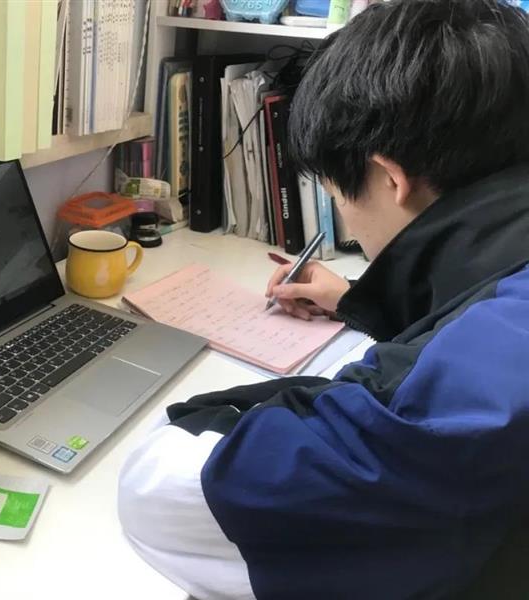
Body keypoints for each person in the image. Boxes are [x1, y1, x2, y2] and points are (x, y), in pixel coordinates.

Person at [117, 1, 529, 598]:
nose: (350, 225)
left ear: (390, 179)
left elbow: (162, 486)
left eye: (336, 195)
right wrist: (364, 299)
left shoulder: (473, 394)